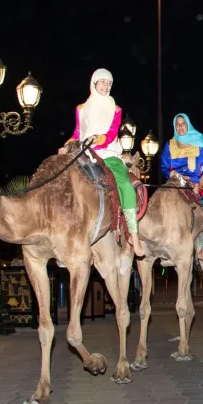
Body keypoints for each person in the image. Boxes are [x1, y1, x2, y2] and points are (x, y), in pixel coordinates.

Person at [67, 68, 144, 267]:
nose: (106, 86)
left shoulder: (115, 109)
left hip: (108, 153)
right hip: (83, 152)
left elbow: (111, 133)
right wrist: (68, 143)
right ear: (93, 84)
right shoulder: (81, 108)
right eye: (102, 82)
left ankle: (133, 233)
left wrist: (98, 139)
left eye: (109, 83)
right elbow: (78, 131)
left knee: (125, 185)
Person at [160, 113, 203, 267]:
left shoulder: (199, 142)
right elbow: (164, 165)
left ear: (188, 125)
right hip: (175, 182)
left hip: (197, 183)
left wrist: (201, 182)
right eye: (177, 124)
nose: (180, 126)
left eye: (183, 123)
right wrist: (173, 174)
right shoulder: (170, 144)